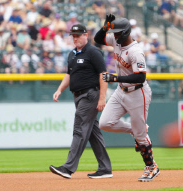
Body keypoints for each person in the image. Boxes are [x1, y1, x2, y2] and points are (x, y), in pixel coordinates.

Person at [94, 14, 160, 182]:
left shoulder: (136, 51)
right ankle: (136, 130)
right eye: (113, 32)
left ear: (124, 33)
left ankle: (151, 167)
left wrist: (116, 78)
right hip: (121, 91)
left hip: (138, 93)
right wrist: (105, 27)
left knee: (140, 135)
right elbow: (98, 39)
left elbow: (141, 77)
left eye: (116, 32)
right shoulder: (117, 40)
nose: (113, 36)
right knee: (105, 123)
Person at [49, 24, 112, 179]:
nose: (75, 38)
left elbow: (103, 74)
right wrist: (59, 89)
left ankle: (68, 168)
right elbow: (69, 75)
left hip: (90, 95)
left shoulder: (93, 52)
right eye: (73, 35)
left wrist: (102, 97)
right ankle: (105, 169)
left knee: (79, 129)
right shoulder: (72, 54)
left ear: (86, 35)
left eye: (78, 35)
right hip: (78, 96)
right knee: (92, 133)